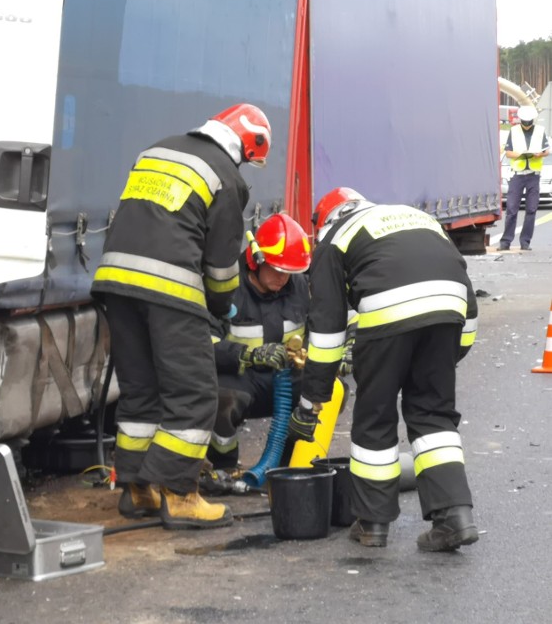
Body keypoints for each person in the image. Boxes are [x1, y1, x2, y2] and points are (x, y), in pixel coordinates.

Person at [91, 103, 272, 529]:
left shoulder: (156, 151)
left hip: (115, 283)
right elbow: (222, 266)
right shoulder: (227, 179)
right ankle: (182, 494)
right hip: (169, 291)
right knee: (193, 394)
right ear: (247, 146)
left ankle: (139, 490)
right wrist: (223, 304)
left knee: (141, 391)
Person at [292, 187, 479, 552]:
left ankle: (372, 523)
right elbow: (468, 302)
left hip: (386, 314)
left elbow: (327, 332)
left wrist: (311, 401)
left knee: (375, 414)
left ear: (325, 221)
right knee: (433, 415)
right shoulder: (419, 219)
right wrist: (446, 358)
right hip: (448, 313)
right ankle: (455, 518)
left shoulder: (334, 239)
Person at [204, 213, 312, 476]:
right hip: (242, 378)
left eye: (289, 272)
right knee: (219, 398)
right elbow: (204, 343)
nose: (283, 279)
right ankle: (223, 468)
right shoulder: (228, 288)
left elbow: (321, 327)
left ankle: (287, 466)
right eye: (277, 270)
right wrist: (249, 355)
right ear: (256, 260)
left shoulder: (298, 286)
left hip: (286, 379)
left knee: (328, 390)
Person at [498, 104, 549, 251]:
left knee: (531, 210)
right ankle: (505, 241)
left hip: (534, 176)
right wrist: (520, 154)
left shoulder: (540, 131)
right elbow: (508, 153)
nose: (527, 125)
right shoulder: (513, 131)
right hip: (517, 176)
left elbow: (546, 151)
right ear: (520, 120)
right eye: (524, 122)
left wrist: (540, 154)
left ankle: (525, 242)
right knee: (512, 209)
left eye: (529, 121)